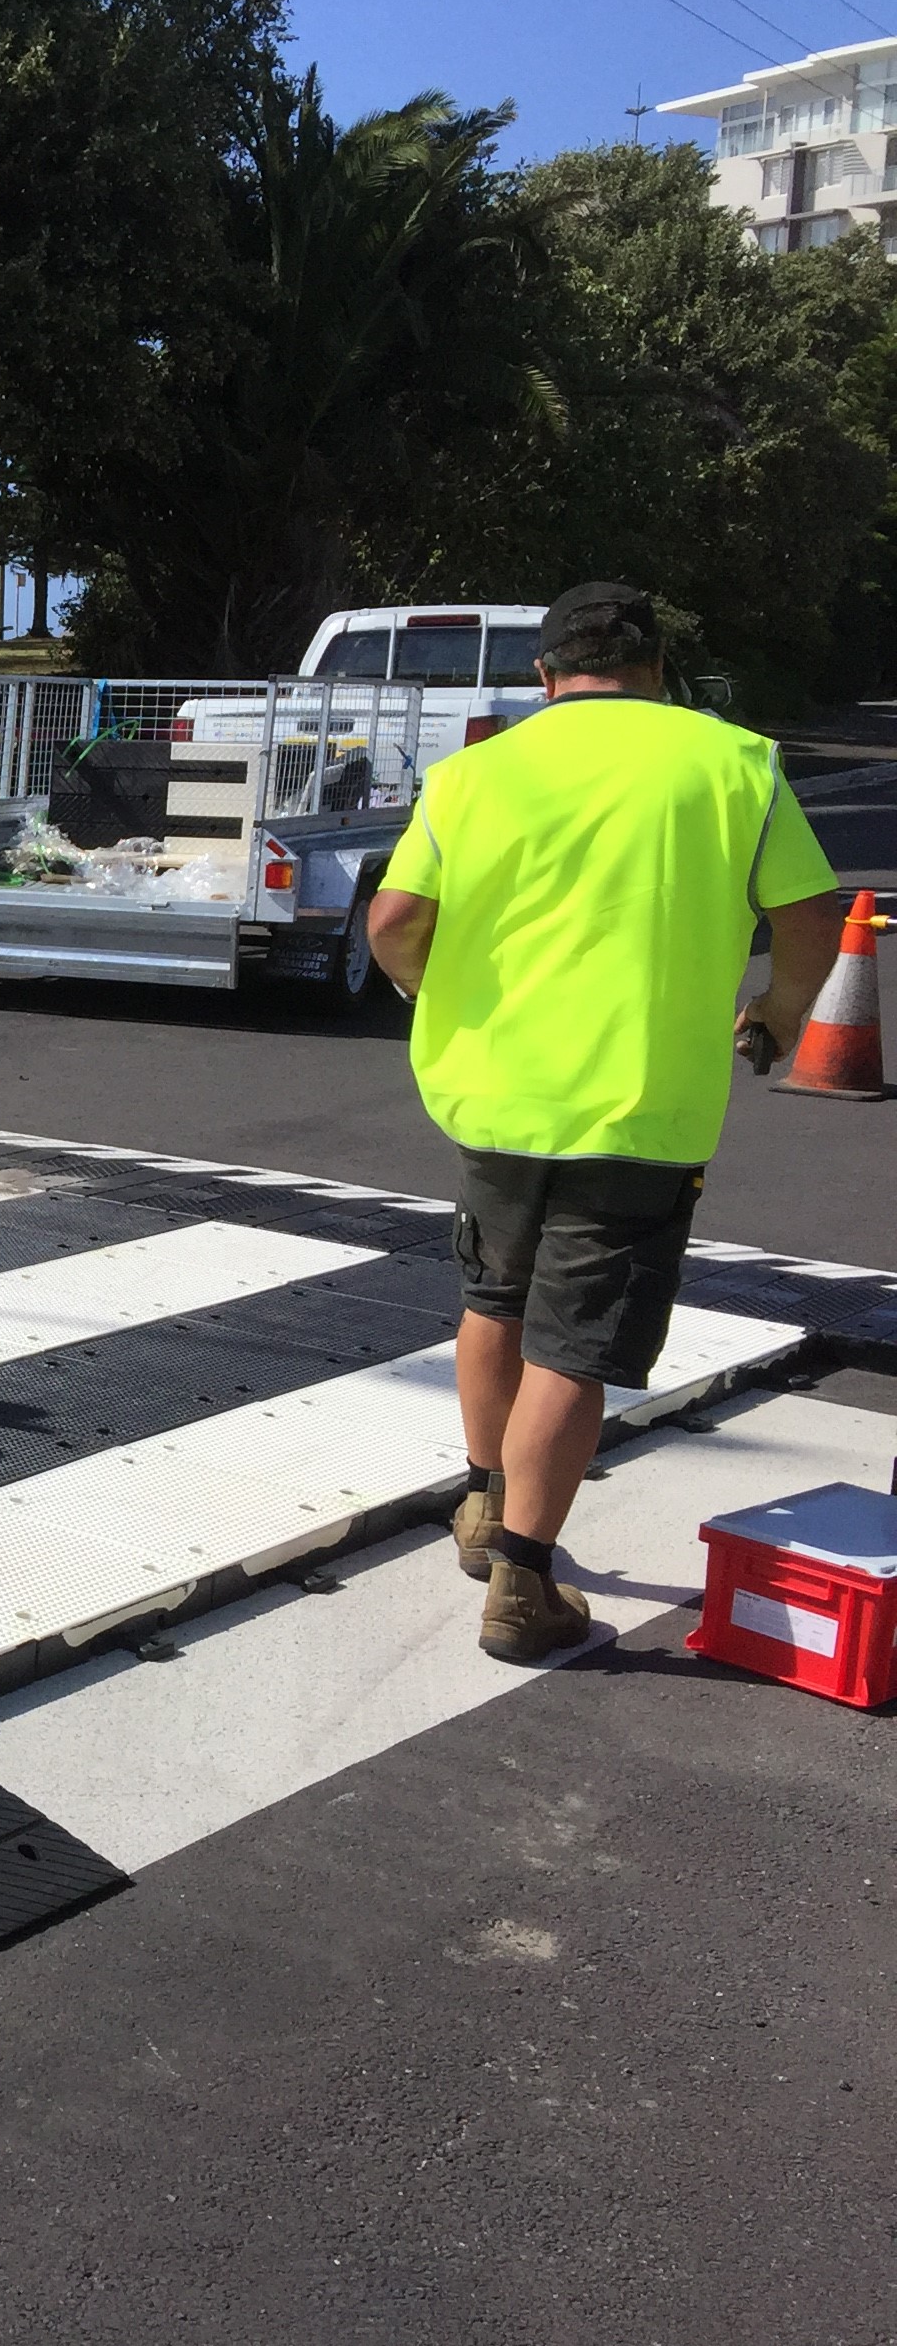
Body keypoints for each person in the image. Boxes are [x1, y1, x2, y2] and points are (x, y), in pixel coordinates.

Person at [368, 581, 843, 1664]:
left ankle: (483, 1502)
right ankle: (524, 1583)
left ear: (545, 675)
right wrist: (777, 1013)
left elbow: (395, 921)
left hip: (493, 1096)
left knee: (493, 1300)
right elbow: (811, 916)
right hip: (637, 1107)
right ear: (658, 671)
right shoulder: (734, 763)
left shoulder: (473, 772)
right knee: (573, 1346)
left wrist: (431, 994)